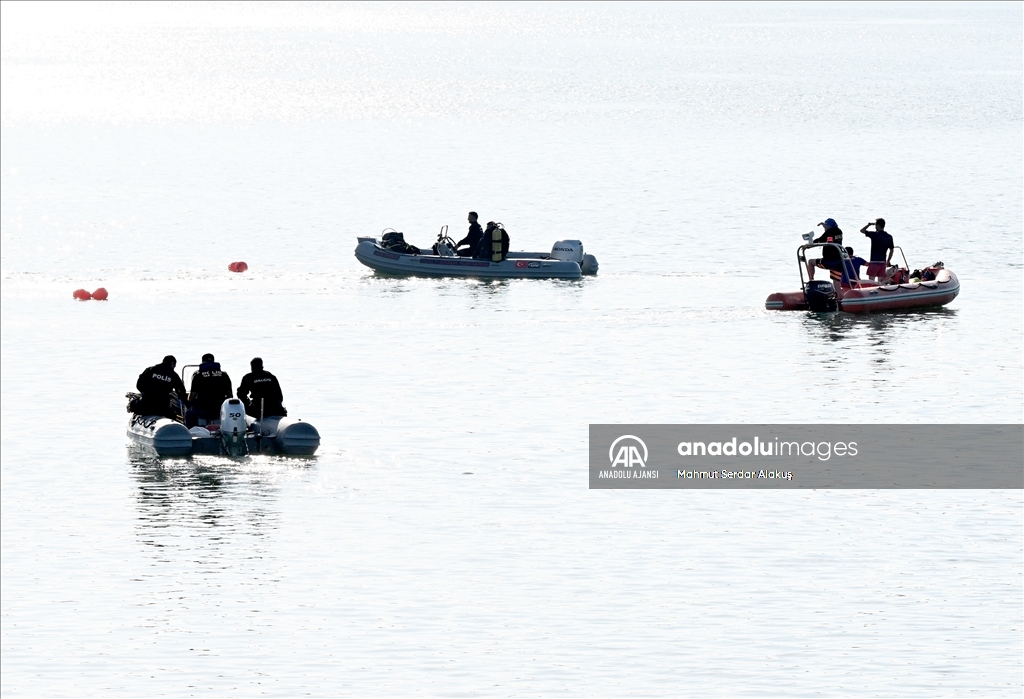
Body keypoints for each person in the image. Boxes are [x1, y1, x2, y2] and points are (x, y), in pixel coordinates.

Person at [135, 355, 188, 420]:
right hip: (162, 406)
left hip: (146, 404)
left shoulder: (150, 370)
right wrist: (188, 404)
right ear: (172, 363)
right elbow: (181, 391)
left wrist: (146, 393)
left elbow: (139, 385)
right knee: (172, 416)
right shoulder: (173, 375)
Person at [186, 353, 233, 427]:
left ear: (202, 362)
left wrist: (188, 402)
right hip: (219, 409)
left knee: (188, 414)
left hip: (203, 409)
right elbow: (230, 396)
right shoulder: (224, 375)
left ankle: (191, 432)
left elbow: (192, 397)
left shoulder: (198, 376)